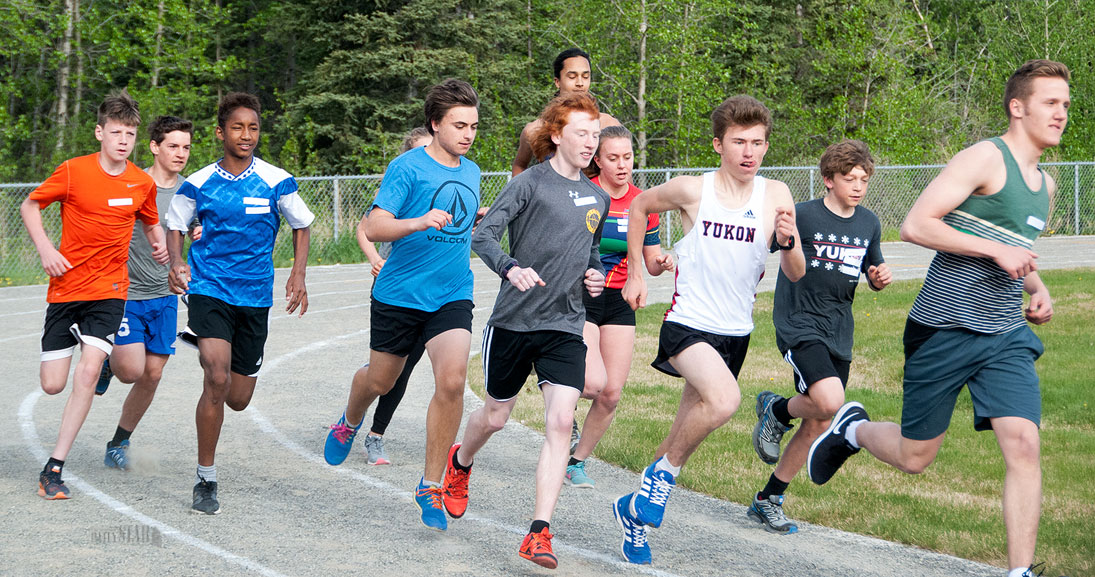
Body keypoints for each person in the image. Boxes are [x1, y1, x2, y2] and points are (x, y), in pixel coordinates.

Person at [806, 60, 1069, 577]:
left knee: (1024, 442)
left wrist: (1037, 289)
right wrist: (995, 251)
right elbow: (916, 224)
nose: (1062, 113)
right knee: (914, 456)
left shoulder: (1047, 185)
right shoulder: (984, 159)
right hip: (944, 328)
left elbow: (1016, 251)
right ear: (1018, 108)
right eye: (1050, 102)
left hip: (1004, 333)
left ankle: (1019, 572)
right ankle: (852, 429)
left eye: (1066, 104)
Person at [614, 95, 805, 564]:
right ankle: (661, 482)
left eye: (758, 143)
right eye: (739, 141)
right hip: (687, 324)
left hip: (735, 332)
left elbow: (796, 272)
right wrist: (637, 271)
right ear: (718, 144)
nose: (749, 152)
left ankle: (634, 513)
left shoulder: (776, 195)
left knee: (686, 427)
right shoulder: (691, 190)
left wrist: (789, 241)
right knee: (725, 402)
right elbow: (638, 207)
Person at [447, 92, 608, 569]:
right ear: (557, 134)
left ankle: (539, 531)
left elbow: (591, 252)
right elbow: (483, 235)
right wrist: (510, 267)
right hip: (514, 322)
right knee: (495, 417)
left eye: (595, 135)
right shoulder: (529, 184)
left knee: (560, 421)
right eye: (582, 133)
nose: (590, 143)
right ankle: (460, 463)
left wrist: (595, 275)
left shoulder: (597, 196)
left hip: (564, 324)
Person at [321, 79, 481, 533]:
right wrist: (418, 222)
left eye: (473, 126)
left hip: (452, 292)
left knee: (451, 382)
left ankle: (430, 484)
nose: (468, 134)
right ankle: (350, 421)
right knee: (381, 379)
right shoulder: (406, 168)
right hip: (399, 295)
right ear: (435, 124)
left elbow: (457, 222)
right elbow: (374, 227)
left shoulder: (470, 171)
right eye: (458, 125)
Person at [166, 92, 314, 515]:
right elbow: (175, 224)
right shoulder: (197, 182)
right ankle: (206, 478)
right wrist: (177, 263)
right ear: (220, 133)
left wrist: (298, 273)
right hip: (210, 289)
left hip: (254, 297)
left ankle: (223, 350)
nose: (246, 135)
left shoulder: (276, 180)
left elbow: (302, 224)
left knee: (238, 397)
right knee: (215, 377)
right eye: (237, 127)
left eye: (253, 127)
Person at [20, 90, 166, 499]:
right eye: (116, 132)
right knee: (52, 384)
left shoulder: (142, 182)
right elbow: (30, 207)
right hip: (66, 289)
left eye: (131, 134)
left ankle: (54, 467)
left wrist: (158, 243)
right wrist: (47, 250)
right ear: (100, 132)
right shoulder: (72, 171)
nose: (124, 140)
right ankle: (94, 361)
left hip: (110, 291)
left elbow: (151, 222)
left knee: (86, 374)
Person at [746, 139, 891, 534]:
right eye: (849, 178)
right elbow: (778, 247)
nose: (858, 185)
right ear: (828, 179)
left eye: (863, 179)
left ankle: (769, 497)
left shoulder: (869, 223)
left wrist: (878, 277)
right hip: (800, 323)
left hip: (838, 328)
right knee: (830, 400)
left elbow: (872, 270)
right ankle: (776, 411)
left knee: (820, 418)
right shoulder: (803, 215)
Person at [565, 124, 674, 490]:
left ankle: (576, 462)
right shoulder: (584, 193)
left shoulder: (645, 203)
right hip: (582, 295)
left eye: (627, 157)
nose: (622, 164)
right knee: (592, 383)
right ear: (597, 159)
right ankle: (554, 379)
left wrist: (663, 264)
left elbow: (652, 259)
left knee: (611, 393)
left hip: (620, 298)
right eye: (613, 157)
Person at [96, 115, 200, 471]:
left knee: (152, 375)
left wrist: (196, 239)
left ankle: (118, 442)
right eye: (172, 146)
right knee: (130, 371)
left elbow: (192, 235)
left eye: (186, 147)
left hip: (165, 296)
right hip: (127, 294)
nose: (180, 153)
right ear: (155, 147)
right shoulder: (134, 184)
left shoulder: (191, 190)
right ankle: (109, 363)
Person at [348, 127, 434, 466]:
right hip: (395, 288)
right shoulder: (400, 185)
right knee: (383, 374)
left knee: (406, 368)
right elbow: (364, 226)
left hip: (430, 292)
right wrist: (375, 259)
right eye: (421, 151)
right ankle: (354, 411)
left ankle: (375, 436)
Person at [511, 47, 620, 176]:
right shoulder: (534, 130)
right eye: (572, 76)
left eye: (585, 76)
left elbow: (623, 168)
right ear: (557, 82)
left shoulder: (607, 124)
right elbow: (519, 165)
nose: (580, 83)